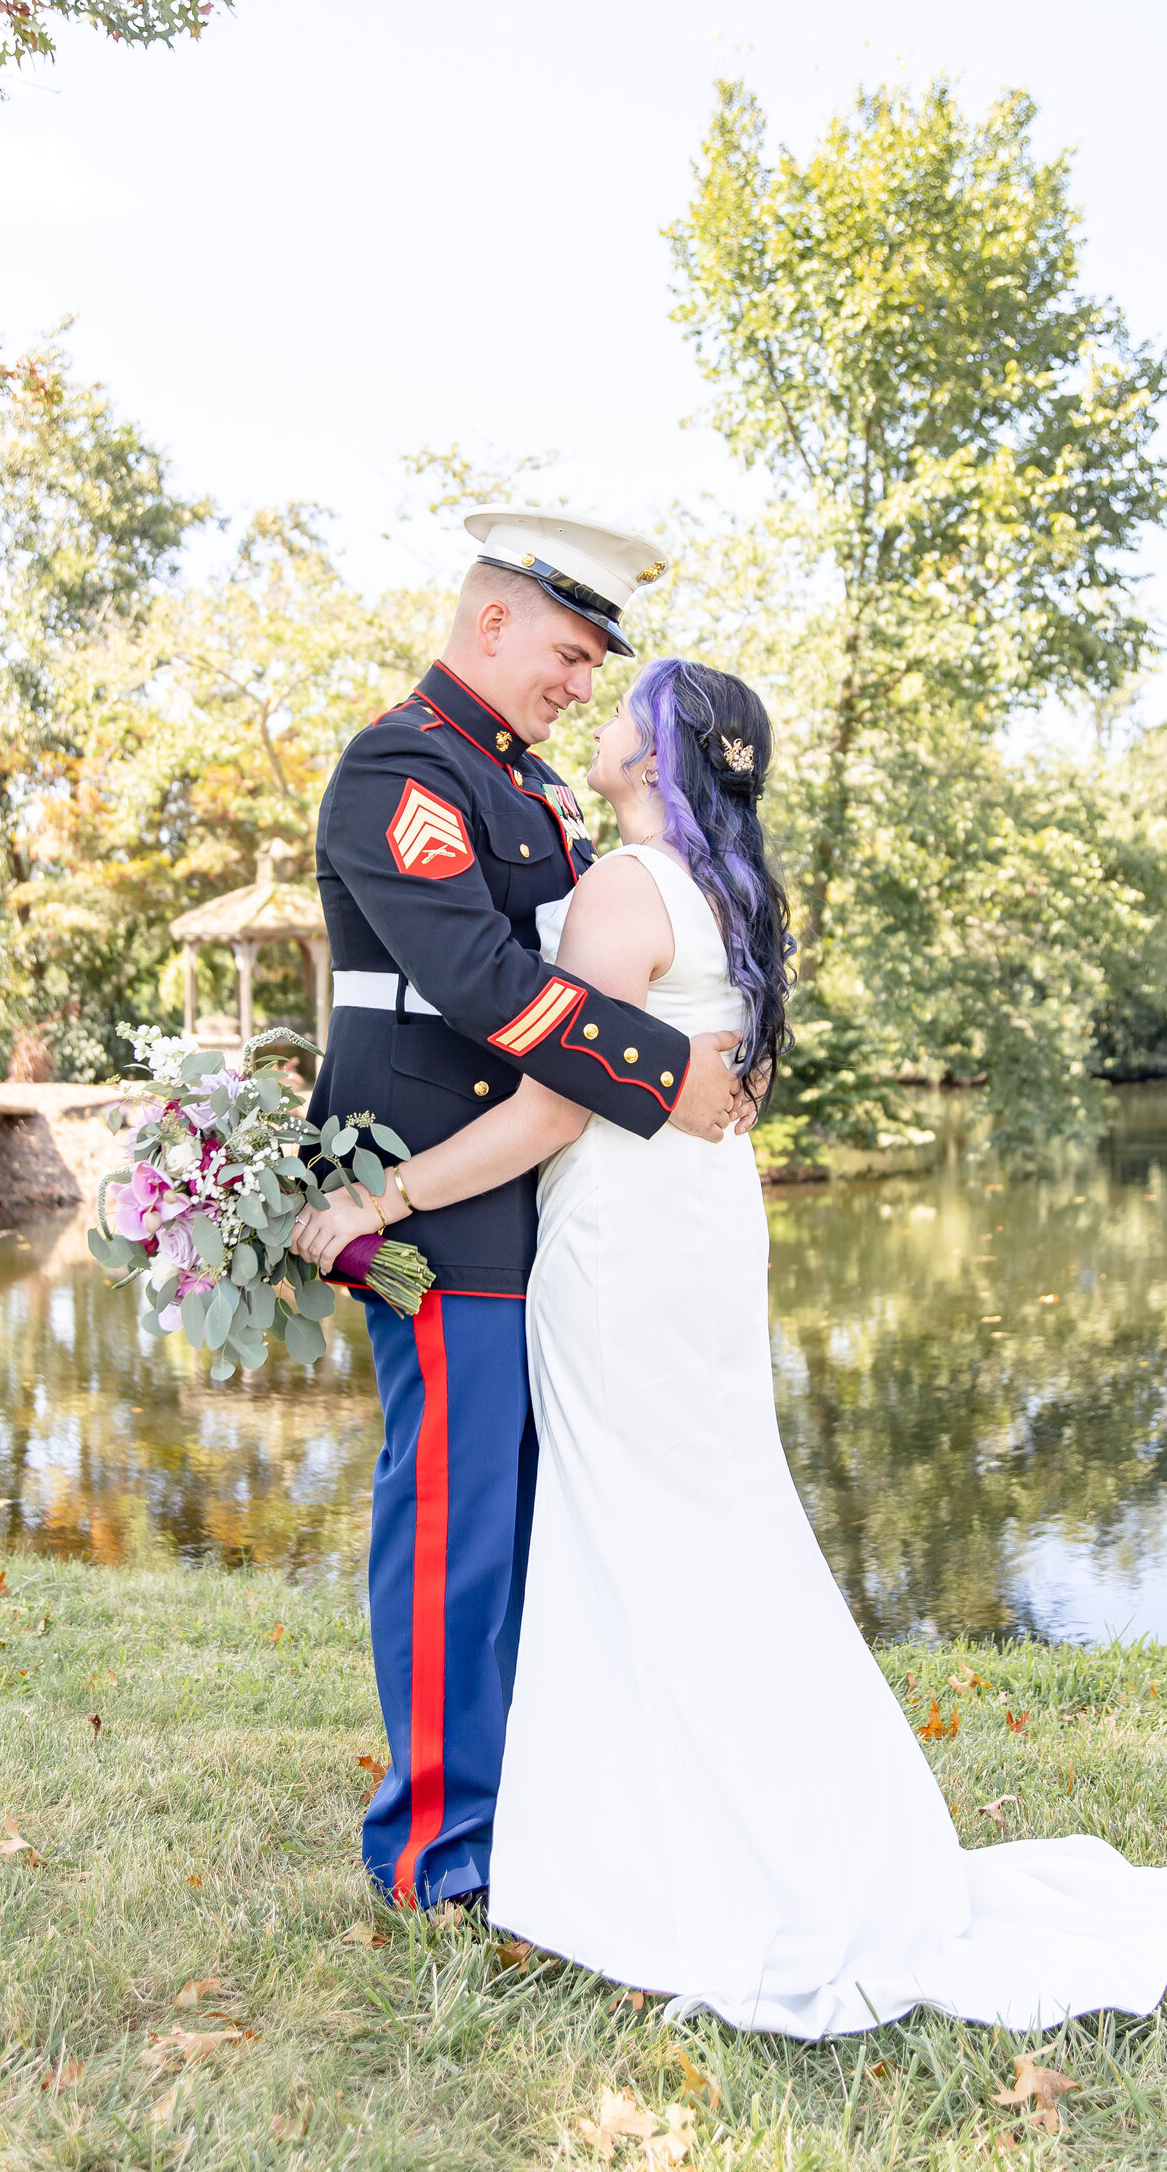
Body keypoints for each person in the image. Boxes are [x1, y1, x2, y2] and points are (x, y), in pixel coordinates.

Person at [296, 657, 1167, 2037]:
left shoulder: (623, 883)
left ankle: (664, 1842)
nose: (598, 709)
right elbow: (726, 1075)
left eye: (627, 705)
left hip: (619, 1240)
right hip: (702, 1232)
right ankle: (690, 1811)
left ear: (660, 751)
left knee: (637, 1523)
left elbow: (561, 1103)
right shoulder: (734, 896)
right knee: (708, 1511)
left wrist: (392, 1192)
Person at [306, 511, 745, 1912]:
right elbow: (490, 985)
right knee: (455, 1525)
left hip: (532, 1187)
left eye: (592, 663)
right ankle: (439, 1854)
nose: (576, 682)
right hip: (427, 1189)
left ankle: (529, 1811)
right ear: (489, 622)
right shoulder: (403, 769)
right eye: (567, 651)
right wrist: (667, 1073)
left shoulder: (531, 787)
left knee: (528, 1522)